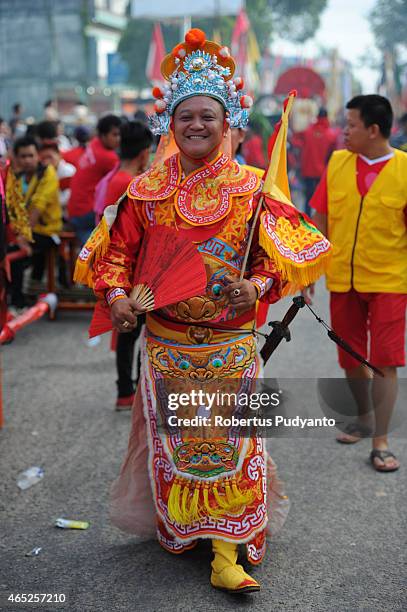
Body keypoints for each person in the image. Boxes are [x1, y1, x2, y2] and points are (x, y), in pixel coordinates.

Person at [75, 29, 330, 593]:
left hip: (231, 345)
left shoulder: (254, 190)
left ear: (227, 122)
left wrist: (257, 286)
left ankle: (227, 546)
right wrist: (118, 298)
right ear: (171, 121)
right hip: (168, 345)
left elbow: (285, 256)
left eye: (208, 116)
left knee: (233, 444)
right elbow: (114, 255)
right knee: (181, 440)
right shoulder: (144, 192)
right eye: (186, 115)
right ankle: (188, 531)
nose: (196, 125)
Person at [305, 94, 407, 472]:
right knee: (349, 357)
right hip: (343, 279)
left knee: (384, 361)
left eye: (350, 125)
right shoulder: (337, 163)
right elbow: (320, 218)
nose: (343, 131)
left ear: (374, 130)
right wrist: (308, 269)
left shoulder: (405, 170)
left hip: (389, 281)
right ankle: (364, 418)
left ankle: (380, 440)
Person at [99, 121, 153, 409]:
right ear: (145, 153)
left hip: (127, 268)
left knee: (129, 332)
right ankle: (128, 389)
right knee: (136, 332)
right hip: (132, 271)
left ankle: (127, 389)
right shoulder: (131, 185)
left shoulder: (114, 178)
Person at [4, 136, 62, 308]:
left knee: (13, 251)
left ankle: (17, 302)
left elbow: (38, 206)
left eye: (31, 155)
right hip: (23, 231)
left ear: (38, 155)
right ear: (16, 158)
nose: (27, 160)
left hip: (47, 232)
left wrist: (23, 237)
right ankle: (14, 298)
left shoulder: (48, 173)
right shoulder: (17, 176)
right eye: (23, 156)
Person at [67, 114, 121, 245]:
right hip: (86, 214)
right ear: (103, 135)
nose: (118, 139)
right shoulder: (108, 157)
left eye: (120, 135)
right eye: (114, 135)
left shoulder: (94, 143)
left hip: (74, 210)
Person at [300, 108, 337, 217]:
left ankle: (306, 222)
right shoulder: (331, 135)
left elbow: (298, 143)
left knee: (308, 199)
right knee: (320, 202)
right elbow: (332, 156)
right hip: (322, 173)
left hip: (307, 171)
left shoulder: (307, 132)